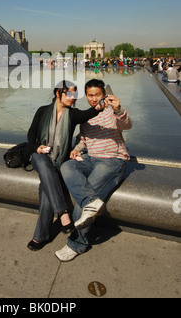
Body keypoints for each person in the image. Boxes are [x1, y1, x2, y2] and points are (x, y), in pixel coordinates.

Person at [56, 79, 132, 262]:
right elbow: (83, 139)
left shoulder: (113, 111)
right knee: (67, 165)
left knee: (83, 201)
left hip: (112, 160)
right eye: (90, 95)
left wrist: (119, 109)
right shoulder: (88, 115)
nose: (93, 98)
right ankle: (92, 203)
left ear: (103, 94)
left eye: (97, 94)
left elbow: (127, 125)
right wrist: (77, 148)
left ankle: (77, 244)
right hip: (90, 158)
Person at [27, 80, 103, 252]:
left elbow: (88, 114)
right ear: (57, 93)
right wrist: (36, 148)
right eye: (68, 93)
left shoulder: (73, 114)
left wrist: (101, 105)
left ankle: (40, 236)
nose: (72, 97)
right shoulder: (42, 111)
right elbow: (31, 134)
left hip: (59, 161)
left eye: (74, 94)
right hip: (39, 156)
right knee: (42, 161)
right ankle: (62, 212)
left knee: (47, 187)